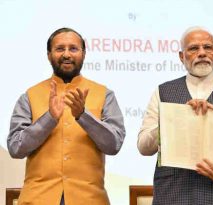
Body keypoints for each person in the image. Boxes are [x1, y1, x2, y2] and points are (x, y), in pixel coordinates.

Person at [137, 27, 213, 204]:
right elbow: (143, 147)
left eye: (208, 47)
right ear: (181, 56)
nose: (202, 53)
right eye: (194, 48)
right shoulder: (163, 92)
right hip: (173, 195)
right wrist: (173, 119)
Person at [7, 28, 126, 205]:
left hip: (89, 199)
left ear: (84, 54)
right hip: (38, 199)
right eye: (60, 49)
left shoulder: (104, 94)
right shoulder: (29, 96)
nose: (67, 54)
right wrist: (49, 119)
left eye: (73, 48)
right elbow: (15, 148)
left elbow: (114, 145)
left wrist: (83, 116)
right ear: (49, 55)